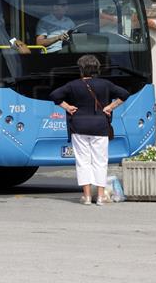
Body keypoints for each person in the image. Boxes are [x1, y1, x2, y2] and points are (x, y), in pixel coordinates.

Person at [49, 55, 129, 206]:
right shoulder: (105, 84)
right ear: (97, 69)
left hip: (79, 126)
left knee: (83, 162)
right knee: (100, 161)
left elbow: (54, 95)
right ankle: (100, 197)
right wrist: (110, 107)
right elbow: (124, 94)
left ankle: (86, 197)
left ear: (81, 69)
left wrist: (67, 107)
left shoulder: (73, 85)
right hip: (100, 127)